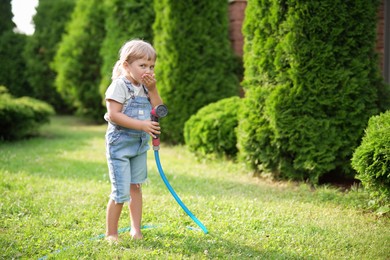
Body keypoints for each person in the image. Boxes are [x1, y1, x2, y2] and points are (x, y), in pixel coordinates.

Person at [104, 39, 163, 242]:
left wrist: (154, 90)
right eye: (142, 65)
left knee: (136, 186)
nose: (148, 70)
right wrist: (141, 125)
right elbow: (113, 115)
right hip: (120, 145)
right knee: (120, 191)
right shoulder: (119, 86)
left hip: (139, 145)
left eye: (151, 66)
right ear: (126, 66)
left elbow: (159, 110)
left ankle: (135, 230)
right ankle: (111, 234)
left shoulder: (146, 88)